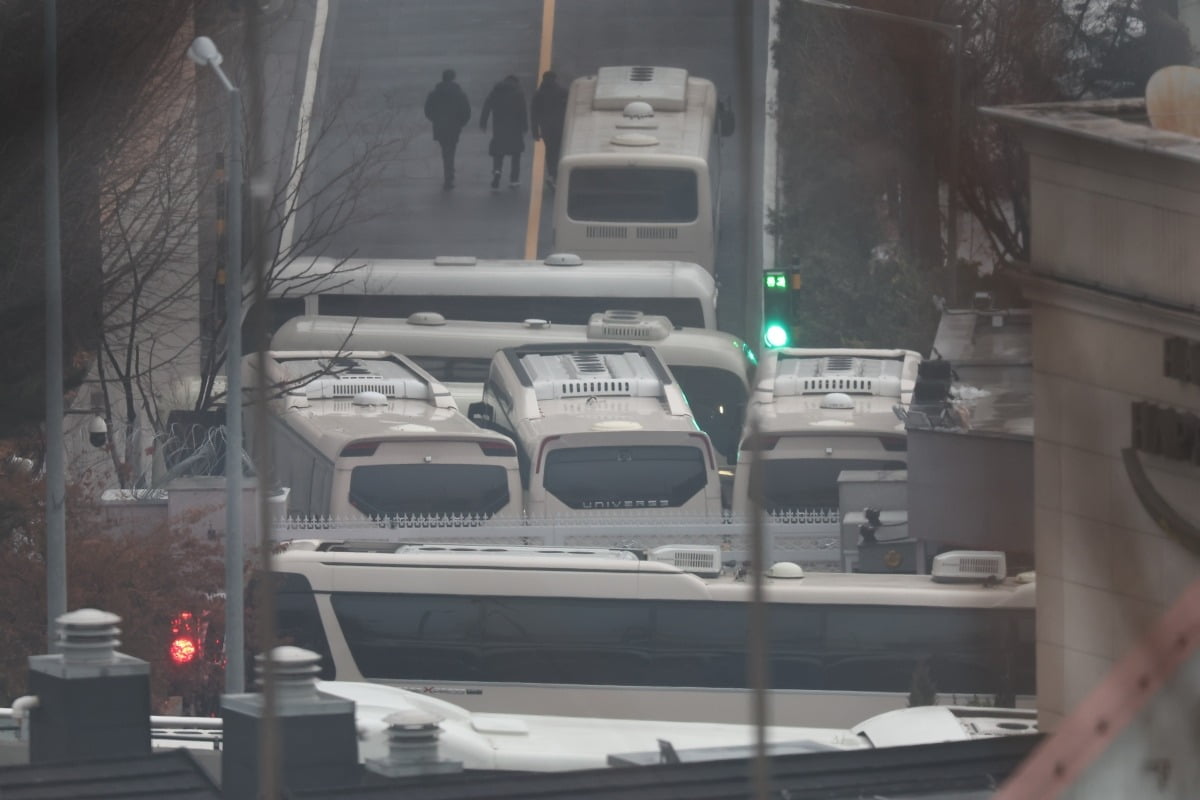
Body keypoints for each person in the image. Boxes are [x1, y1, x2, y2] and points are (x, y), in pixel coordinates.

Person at [424, 69, 471, 189]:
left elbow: (427, 110)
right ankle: (449, 175)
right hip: (454, 126)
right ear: (453, 78)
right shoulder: (459, 93)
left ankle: (449, 175)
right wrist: (461, 122)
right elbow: (466, 111)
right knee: (451, 149)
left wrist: (435, 119)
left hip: (440, 125)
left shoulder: (434, 93)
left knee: (446, 150)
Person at [480, 75, 528, 189]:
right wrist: (525, 127)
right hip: (515, 127)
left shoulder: (495, 92)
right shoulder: (518, 93)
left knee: (498, 151)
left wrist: (483, 123)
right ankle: (514, 179)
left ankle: (497, 170)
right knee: (516, 153)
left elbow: (486, 107)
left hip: (499, 126)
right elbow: (523, 111)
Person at [530, 70, 568, 188]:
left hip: (546, 128)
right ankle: (557, 175)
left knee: (550, 151)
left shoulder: (538, 94)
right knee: (561, 151)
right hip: (561, 126)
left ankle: (552, 174)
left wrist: (535, 131)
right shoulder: (562, 91)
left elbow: (534, 114)